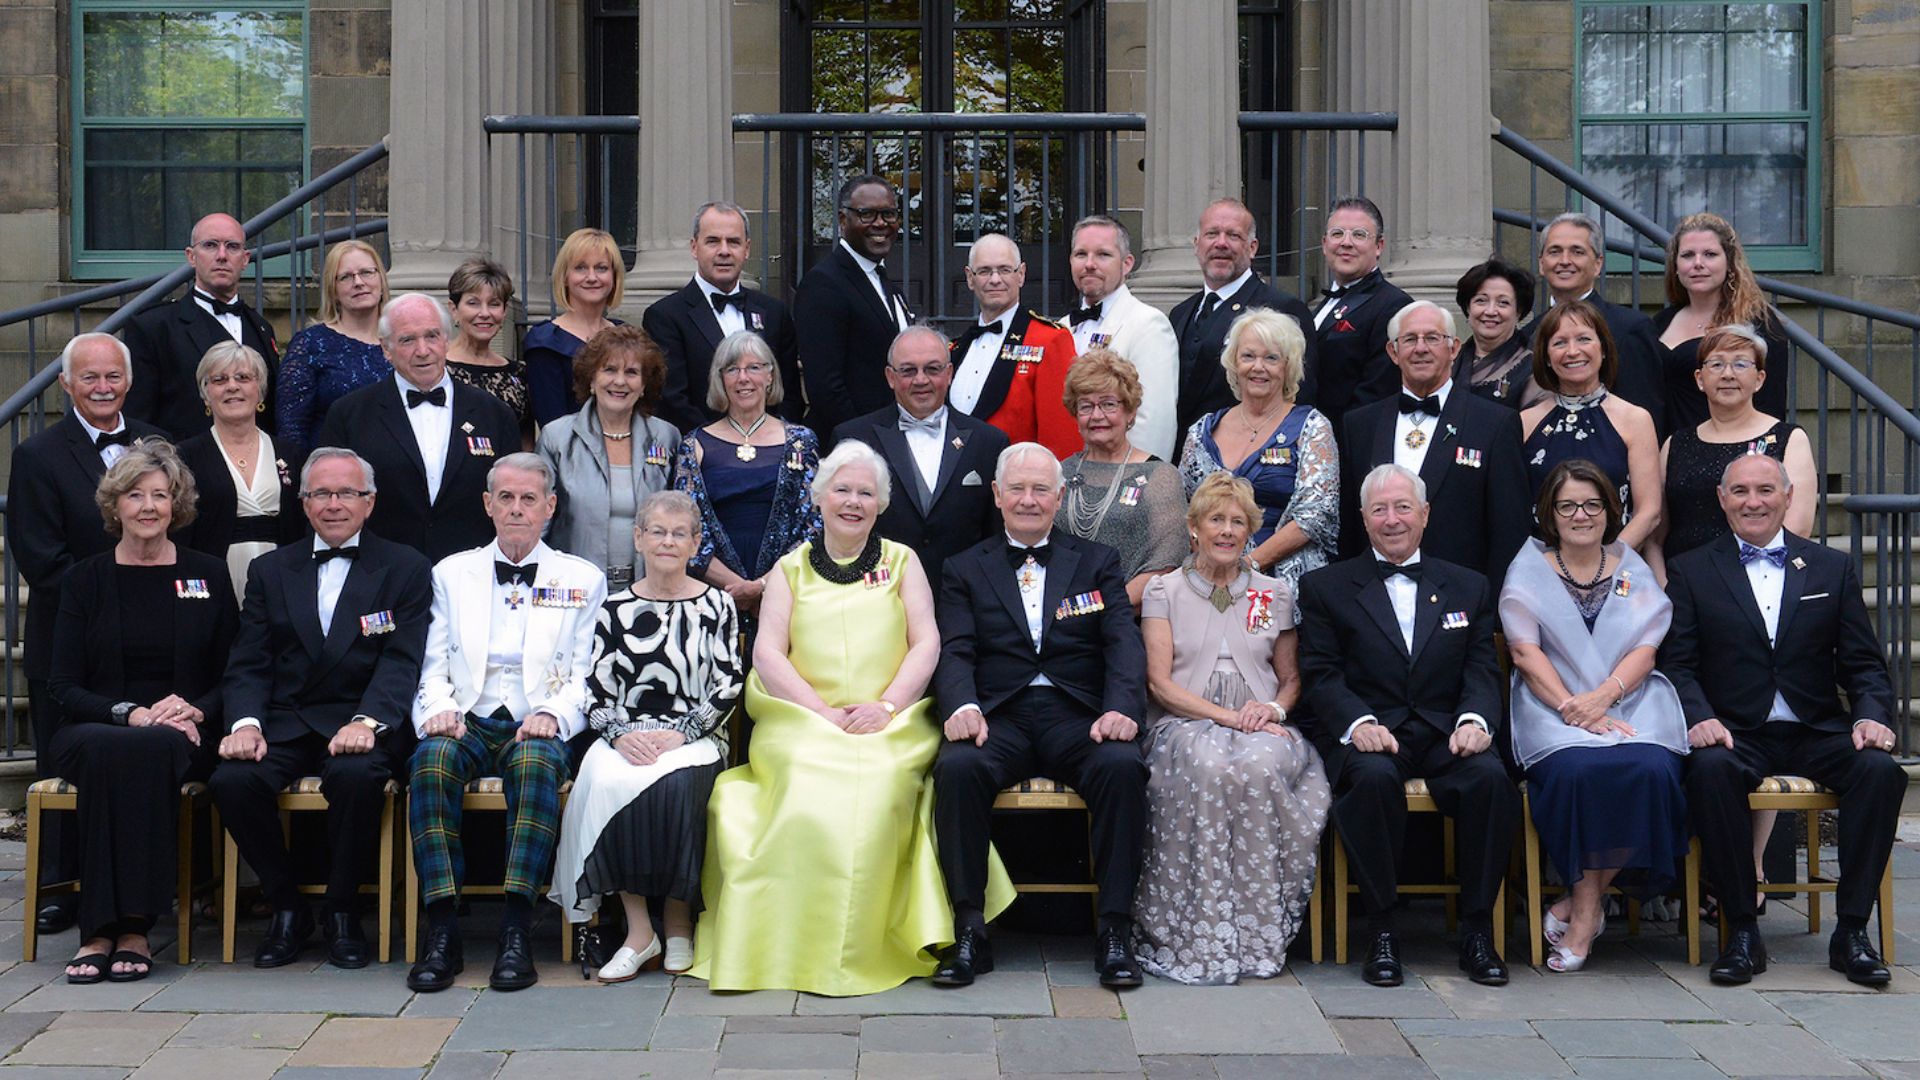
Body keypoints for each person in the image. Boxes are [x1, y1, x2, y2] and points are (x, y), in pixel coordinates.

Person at [692, 440, 1009, 995]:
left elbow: (926, 641)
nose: (853, 501)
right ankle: (792, 942)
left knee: (879, 785)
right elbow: (767, 652)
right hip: (801, 719)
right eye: (842, 489)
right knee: (804, 784)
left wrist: (886, 706)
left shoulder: (902, 562)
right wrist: (820, 714)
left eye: (866, 492)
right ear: (819, 496)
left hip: (891, 718)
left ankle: (871, 943)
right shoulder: (789, 569)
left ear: (881, 504)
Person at [1661, 455, 1904, 987]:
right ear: (1722, 500)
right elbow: (1676, 664)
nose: (1754, 501)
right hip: (1736, 730)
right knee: (1709, 771)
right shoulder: (1691, 569)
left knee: (1881, 773)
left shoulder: (1829, 568)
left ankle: (1853, 932)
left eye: (1766, 490)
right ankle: (1741, 930)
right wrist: (1698, 717)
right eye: (1741, 491)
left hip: (1816, 728)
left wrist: (1870, 716)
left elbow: (1864, 664)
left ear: (1788, 497)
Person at [932, 443, 1148, 990]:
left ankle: (1116, 932)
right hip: (997, 714)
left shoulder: (1097, 561)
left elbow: (1122, 642)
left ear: (1059, 497)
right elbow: (954, 648)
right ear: (998, 496)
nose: (1029, 500)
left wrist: (1121, 708)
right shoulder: (963, 567)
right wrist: (961, 706)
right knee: (957, 769)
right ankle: (968, 930)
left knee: (1122, 767)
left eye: (1040, 490)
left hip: (1076, 713)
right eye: (1018, 489)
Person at [1296, 463, 1519, 988]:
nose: (1392, 519)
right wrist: (1358, 722)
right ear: (1363, 518)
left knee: (1489, 781)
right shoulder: (1326, 586)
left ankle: (1477, 929)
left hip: (1445, 730)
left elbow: (1481, 669)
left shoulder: (1468, 585)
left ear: (1425, 514)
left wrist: (1476, 720)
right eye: (1379, 509)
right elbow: (1321, 674)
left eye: (1402, 508)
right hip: (1372, 731)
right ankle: (1382, 930)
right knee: (1371, 781)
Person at [209, 448, 432, 969]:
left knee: (357, 779)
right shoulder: (270, 569)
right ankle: (287, 905)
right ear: (304, 503)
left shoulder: (405, 567)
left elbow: (403, 661)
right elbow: (249, 660)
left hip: (361, 721)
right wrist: (245, 723)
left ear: (369, 502)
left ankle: (341, 909)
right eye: (321, 494)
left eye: (346, 493)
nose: (334, 504)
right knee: (231, 781)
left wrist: (367, 721)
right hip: (286, 722)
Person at [405, 453, 606, 993]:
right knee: (430, 762)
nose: (517, 509)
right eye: (507, 498)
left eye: (529, 499)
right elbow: (431, 658)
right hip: (467, 715)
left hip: (535, 719)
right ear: (488, 505)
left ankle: (517, 928)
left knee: (538, 765)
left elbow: (586, 669)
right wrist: (438, 709)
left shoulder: (582, 578)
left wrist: (552, 714)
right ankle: (442, 930)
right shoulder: (451, 571)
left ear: (550, 507)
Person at [47, 441, 238, 984]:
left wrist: (197, 711)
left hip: (182, 733)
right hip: (96, 726)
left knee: (146, 749)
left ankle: (118, 928)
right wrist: (129, 712)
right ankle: (119, 927)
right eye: (136, 495)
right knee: (126, 746)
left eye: (161, 495)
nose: (149, 506)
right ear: (115, 505)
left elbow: (236, 674)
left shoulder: (209, 574)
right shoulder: (85, 579)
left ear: (177, 505)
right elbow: (62, 684)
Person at [1132, 473, 1329, 984]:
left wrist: (1274, 713)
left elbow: (1290, 680)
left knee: (1261, 765)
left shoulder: (1273, 591)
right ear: (1193, 529)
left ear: (1250, 532)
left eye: (1237, 522)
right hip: (1183, 722)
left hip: (1260, 723)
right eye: (1215, 520)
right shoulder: (1164, 590)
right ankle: (1195, 932)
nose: (1226, 530)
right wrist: (1225, 717)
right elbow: (1158, 684)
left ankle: (1255, 931)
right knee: (1210, 764)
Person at [1501, 461, 1689, 972]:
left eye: (1591, 504)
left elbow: (1648, 647)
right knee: (1578, 773)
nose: (1580, 515)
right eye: (1567, 506)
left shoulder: (1633, 567)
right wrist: (1573, 707)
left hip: (1629, 702)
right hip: (1552, 706)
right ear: (1550, 513)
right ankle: (1588, 911)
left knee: (1653, 770)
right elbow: (1525, 653)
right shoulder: (1528, 569)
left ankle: (1581, 905)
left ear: (1610, 510)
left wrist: (1604, 698)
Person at [7, 333, 166, 936]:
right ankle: (58, 886)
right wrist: (120, 593)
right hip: (69, 641)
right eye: (90, 378)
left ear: (128, 381)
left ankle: (143, 884)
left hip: (147, 642)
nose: (103, 387)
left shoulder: (154, 442)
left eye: (112, 377)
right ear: (66, 385)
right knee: (64, 765)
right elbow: (42, 559)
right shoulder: (38, 456)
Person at [549, 491, 743, 980]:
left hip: (695, 735)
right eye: (657, 531)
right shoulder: (614, 607)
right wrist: (618, 735)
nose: (667, 541)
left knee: (676, 786)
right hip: (625, 732)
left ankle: (678, 922)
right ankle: (640, 930)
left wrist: (684, 732)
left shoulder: (718, 603)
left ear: (696, 543)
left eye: (680, 533)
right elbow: (593, 688)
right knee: (611, 782)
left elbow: (729, 681)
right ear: (638, 538)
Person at [1337, 301, 1531, 589]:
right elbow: (1351, 527)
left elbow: (1510, 530)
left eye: (1432, 338)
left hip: (1461, 600)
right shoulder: (1359, 425)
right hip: (1373, 600)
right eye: (1410, 339)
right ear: (1393, 351)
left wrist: (1492, 614)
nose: (1421, 348)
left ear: (1453, 349)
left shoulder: (1495, 424)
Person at [316, 293, 521, 561]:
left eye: (432, 336)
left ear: (446, 340)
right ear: (386, 349)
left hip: (471, 574)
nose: (423, 350)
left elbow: (510, 499)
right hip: (381, 574)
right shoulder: (349, 415)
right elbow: (330, 499)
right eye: (407, 340)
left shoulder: (494, 414)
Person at [1177, 308, 1338, 608]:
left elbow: (1316, 516)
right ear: (1233, 363)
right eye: (1248, 356)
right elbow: (1184, 509)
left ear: (1288, 367)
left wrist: (1246, 567)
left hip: (1286, 590)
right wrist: (1212, 569)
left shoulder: (1312, 427)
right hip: (1209, 590)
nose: (1258, 367)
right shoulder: (1202, 431)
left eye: (1271, 358)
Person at [832, 325, 1010, 586]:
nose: (921, 380)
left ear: (949, 373)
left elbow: (995, 536)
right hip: (877, 594)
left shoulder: (989, 442)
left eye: (932, 369)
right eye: (908, 370)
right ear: (890, 377)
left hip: (963, 600)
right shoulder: (853, 438)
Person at [675, 331, 822, 619]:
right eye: (732, 369)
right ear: (720, 379)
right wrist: (737, 586)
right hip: (713, 596)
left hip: (787, 594)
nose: (744, 378)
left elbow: (814, 525)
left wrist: (764, 585)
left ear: (770, 376)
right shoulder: (694, 445)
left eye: (754, 367)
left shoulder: (802, 442)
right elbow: (683, 528)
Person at [1653, 323, 1816, 573]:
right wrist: (1664, 588)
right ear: (1700, 378)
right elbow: (1656, 535)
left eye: (1740, 364)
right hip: (1681, 590)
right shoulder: (1675, 444)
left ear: (1759, 379)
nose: (1728, 374)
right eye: (1716, 364)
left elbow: (1797, 528)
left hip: (1760, 583)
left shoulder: (1788, 439)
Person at [537, 325, 681, 589]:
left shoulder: (667, 437)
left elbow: (681, 518)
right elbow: (540, 521)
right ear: (591, 379)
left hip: (651, 587)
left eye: (632, 372)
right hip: (574, 587)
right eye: (610, 369)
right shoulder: (556, 437)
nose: (620, 381)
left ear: (644, 384)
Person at [121, 212, 281, 440]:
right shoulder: (154, 327)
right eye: (210, 245)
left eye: (232, 247)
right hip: (182, 468)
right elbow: (138, 419)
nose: (222, 256)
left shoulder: (261, 328)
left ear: (245, 259)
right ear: (191, 256)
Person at [644, 201, 802, 432]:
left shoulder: (775, 312)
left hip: (771, 450)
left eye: (734, 242)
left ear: (747, 249)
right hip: (702, 452)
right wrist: (722, 443)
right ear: (694, 247)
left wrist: (771, 439)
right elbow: (672, 399)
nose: (724, 251)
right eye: (713, 241)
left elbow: (789, 395)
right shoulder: (665, 316)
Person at [1520, 299, 1664, 552]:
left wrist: (1603, 563)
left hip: (1615, 565)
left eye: (1584, 339)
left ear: (1604, 348)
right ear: (1547, 357)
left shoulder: (1635, 419)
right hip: (1542, 570)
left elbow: (1649, 512)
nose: (1573, 351)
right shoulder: (1525, 422)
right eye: (1560, 343)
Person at [1169, 198, 1318, 436]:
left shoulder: (1283, 309)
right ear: (1197, 244)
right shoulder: (1180, 313)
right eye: (1212, 234)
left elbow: (1298, 395)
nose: (1221, 243)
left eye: (1233, 235)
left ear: (1252, 247)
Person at [1056, 350, 1187, 608]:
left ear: (1129, 412)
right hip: (1059, 621)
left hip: (1127, 622)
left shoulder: (1159, 476)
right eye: (1086, 406)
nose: (1096, 415)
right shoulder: (1060, 473)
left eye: (1108, 404)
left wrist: (1097, 611)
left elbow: (1166, 564)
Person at [176, 342, 307, 599]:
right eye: (219, 379)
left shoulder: (292, 454)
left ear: (260, 391)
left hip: (283, 583)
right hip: (211, 585)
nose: (232, 386)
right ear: (205, 394)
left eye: (243, 378)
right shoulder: (184, 457)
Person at [794, 175, 914, 440]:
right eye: (867, 214)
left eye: (888, 214)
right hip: (853, 451)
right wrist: (865, 441)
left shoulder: (884, 283)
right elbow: (825, 387)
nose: (880, 223)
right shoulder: (823, 284)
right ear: (842, 220)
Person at [1526, 212, 1668, 434]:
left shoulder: (1630, 328)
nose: (1565, 261)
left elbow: (1648, 417)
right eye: (1555, 251)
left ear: (1598, 263)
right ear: (1542, 264)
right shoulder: (1530, 333)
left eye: (1577, 251)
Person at [1654, 213, 1793, 432]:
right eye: (1688, 255)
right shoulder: (1661, 322)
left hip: (1725, 452)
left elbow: (1770, 405)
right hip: (1661, 450)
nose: (1698, 263)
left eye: (1710, 254)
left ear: (1729, 262)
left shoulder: (1758, 324)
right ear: (1676, 265)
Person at [948, 233, 1079, 457]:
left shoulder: (1049, 341)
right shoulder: (956, 349)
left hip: (1019, 484)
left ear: (1021, 275)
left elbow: (1062, 434)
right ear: (970, 278)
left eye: (1005, 270)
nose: (995, 279)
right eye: (985, 271)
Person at [1063, 215, 1180, 461]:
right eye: (1081, 254)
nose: (1090, 264)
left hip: (1122, 478)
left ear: (1127, 264)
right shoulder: (1061, 327)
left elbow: (1153, 421)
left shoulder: (1148, 324)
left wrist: (1138, 483)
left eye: (1103, 255)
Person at [1307, 197, 1414, 432]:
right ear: (1325, 244)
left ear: (1379, 246)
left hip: (1350, 443)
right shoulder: (1322, 305)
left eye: (1359, 234)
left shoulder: (1393, 305)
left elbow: (1377, 393)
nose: (1346, 243)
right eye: (1337, 234)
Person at [275, 240, 391, 452]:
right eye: (346, 277)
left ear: (381, 280)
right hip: (334, 476)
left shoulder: (402, 340)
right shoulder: (311, 344)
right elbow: (292, 428)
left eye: (367, 272)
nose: (358, 282)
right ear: (333, 290)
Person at [524, 228, 626, 425]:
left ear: (614, 277)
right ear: (564, 277)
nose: (591, 277)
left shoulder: (626, 336)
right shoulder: (545, 342)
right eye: (580, 268)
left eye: (601, 268)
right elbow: (552, 423)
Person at [445, 257, 530, 430]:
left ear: (504, 311)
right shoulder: (435, 368)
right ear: (454, 309)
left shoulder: (519, 374)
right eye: (473, 303)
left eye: (494, 304)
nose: (484, 313)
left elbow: (525, 445)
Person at [1452, 258, 1547, 409]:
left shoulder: (1536, 368)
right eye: (1481, 301)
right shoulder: (1449, 360)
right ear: (1467, 308)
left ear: (1519, 311)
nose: (1490, 311)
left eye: (1503, 302)